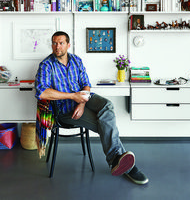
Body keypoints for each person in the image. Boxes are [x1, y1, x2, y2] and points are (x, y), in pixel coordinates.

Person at [35, 31, 148, 185]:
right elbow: (42, 92)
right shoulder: (46, 65)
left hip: (84, 99)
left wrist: (81, 103)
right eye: (54, 43)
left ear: (68, 45)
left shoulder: (76, 60)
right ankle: (124, 165)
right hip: (65, 109)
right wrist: (73, 96)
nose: (57, 47)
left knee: (107, 105)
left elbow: (86, 84)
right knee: (105, 124)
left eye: (61, 43)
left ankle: (117, 160)